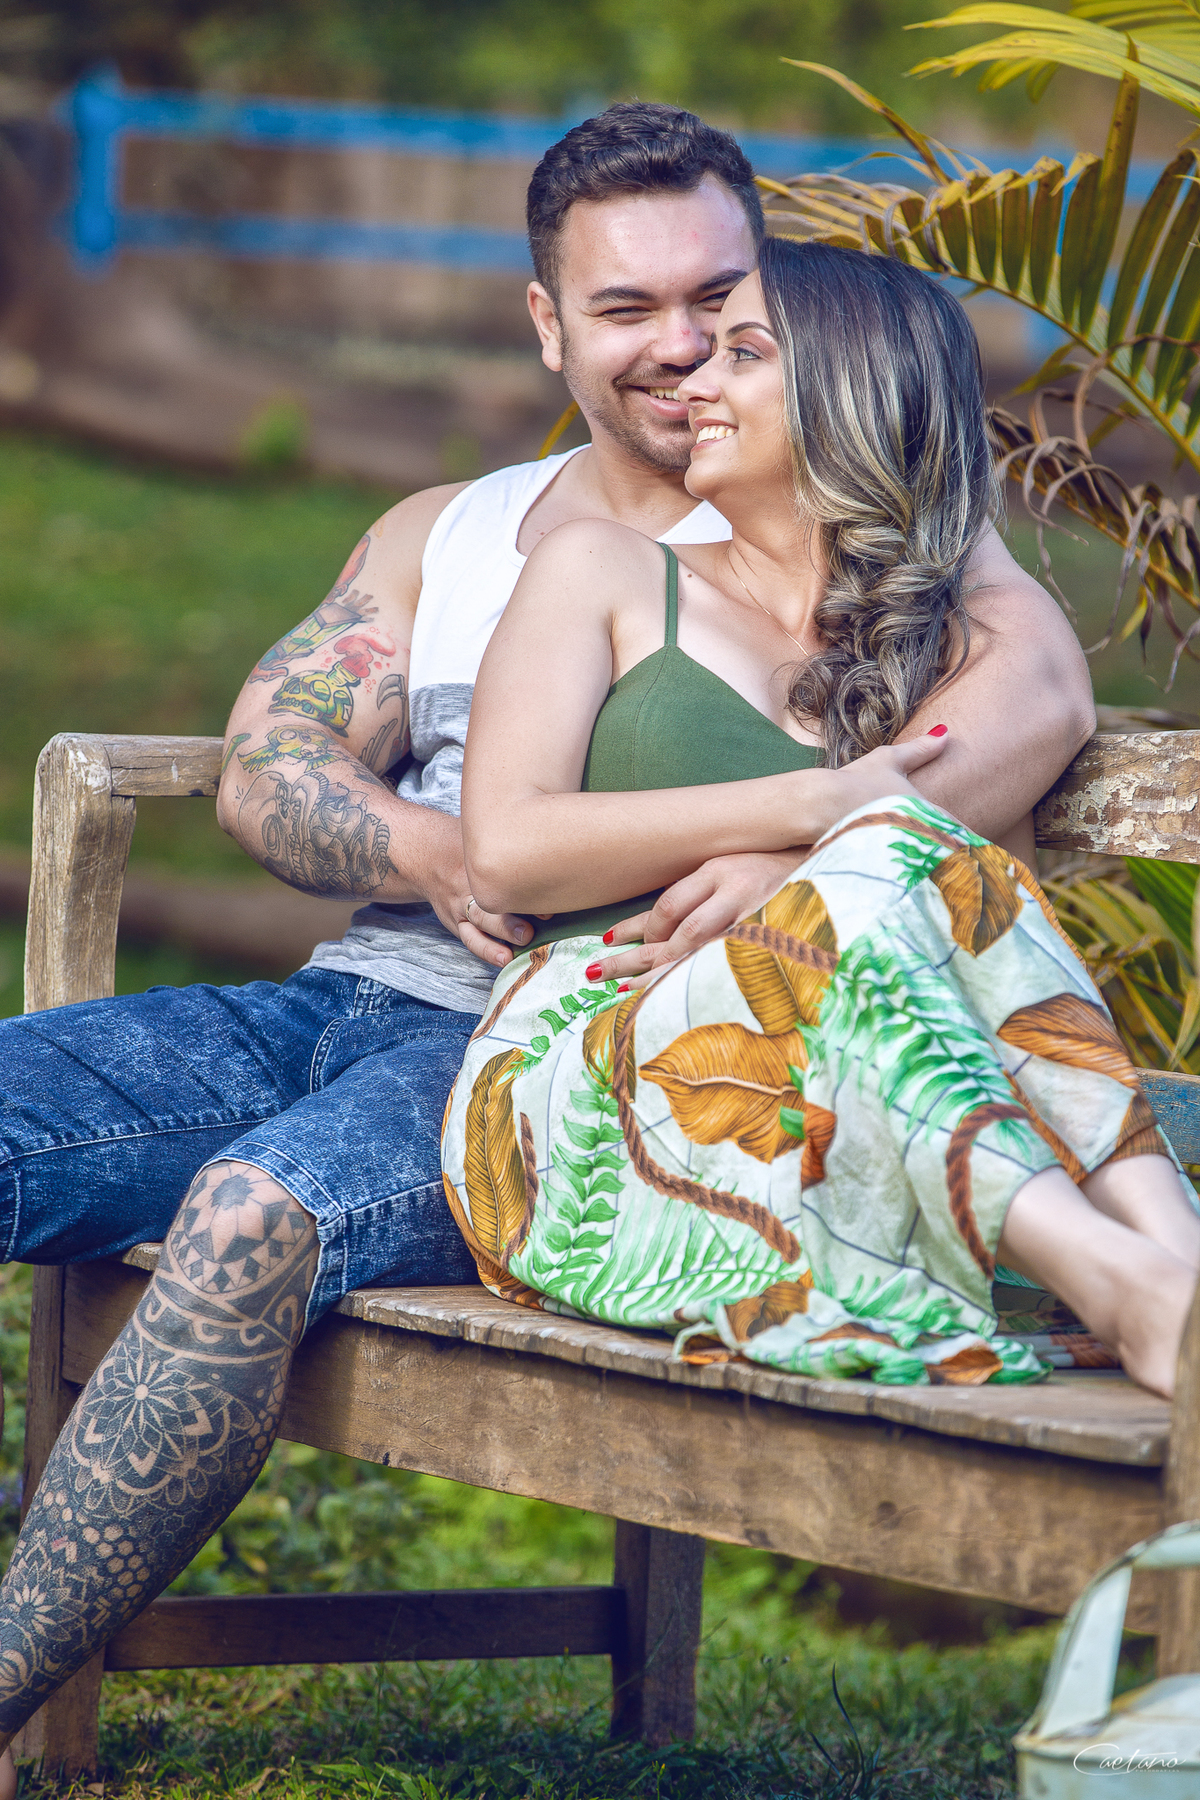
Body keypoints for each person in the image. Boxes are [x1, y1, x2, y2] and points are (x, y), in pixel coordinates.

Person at [0, 104, 1090, 1778]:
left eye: (719, 302)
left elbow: (1033, 696)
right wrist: (432, 846)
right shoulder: (451, 530)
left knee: (258, 1210)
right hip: (340, 997)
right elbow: (267, 761)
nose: (682, 348)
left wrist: (809, 844)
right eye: (626, 308)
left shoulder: (841, 531)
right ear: (546, 323)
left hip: (544, 1061)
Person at [443, 237, 1200, 1403]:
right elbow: (504, 848)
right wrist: (814, 805)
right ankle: (1126, 1278)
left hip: (833, 1116)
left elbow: (1048, 693)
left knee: (908, 849)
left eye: (742, 353)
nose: (694, 378)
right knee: (893, 836)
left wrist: (795, 875)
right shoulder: (601, 570)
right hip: (588, 1090)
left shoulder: (944, 639)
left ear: (856, 394)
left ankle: (1174, 1268)